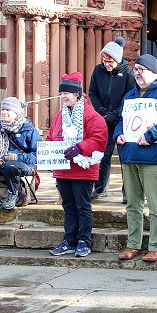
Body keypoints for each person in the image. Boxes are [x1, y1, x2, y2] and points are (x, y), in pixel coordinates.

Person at [114, 54, 157, 263]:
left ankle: (156, 246)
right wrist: (118, 134)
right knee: (133, 204)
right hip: (130, 154)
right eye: (135, 69)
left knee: (156, 205)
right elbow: (121, 120)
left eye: (141, 69)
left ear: (154, 71)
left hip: (154, 155)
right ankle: (133, 244)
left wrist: (151, 135)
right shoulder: (130, 95)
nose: (137, 73)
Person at [47, 72, 108, 258]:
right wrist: (46, 153)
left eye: (67, 92)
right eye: (62, 93)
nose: (63, 96)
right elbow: (51, 138)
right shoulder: (59, 116)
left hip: (83, 169)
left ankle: (84, 240)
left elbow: (99, 139)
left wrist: (80, 147)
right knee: (68, 206)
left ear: (78, 94)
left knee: (82, 206)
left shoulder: (92, 116)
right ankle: (69, 240)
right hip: (63, 170)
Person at [88, 37, 136, 201]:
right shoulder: (98, 70)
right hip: (103, 119)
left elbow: (130, 96)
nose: (106, 64)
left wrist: (116, 114)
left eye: (110, 61)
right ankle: (100, 187)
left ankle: (128, 191)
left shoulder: (128, 73)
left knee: (125, 156)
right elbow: (92, 93)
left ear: (118, 59)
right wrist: (101, 112)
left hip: (123, 120)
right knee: (103, 154)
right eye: (104, 60)